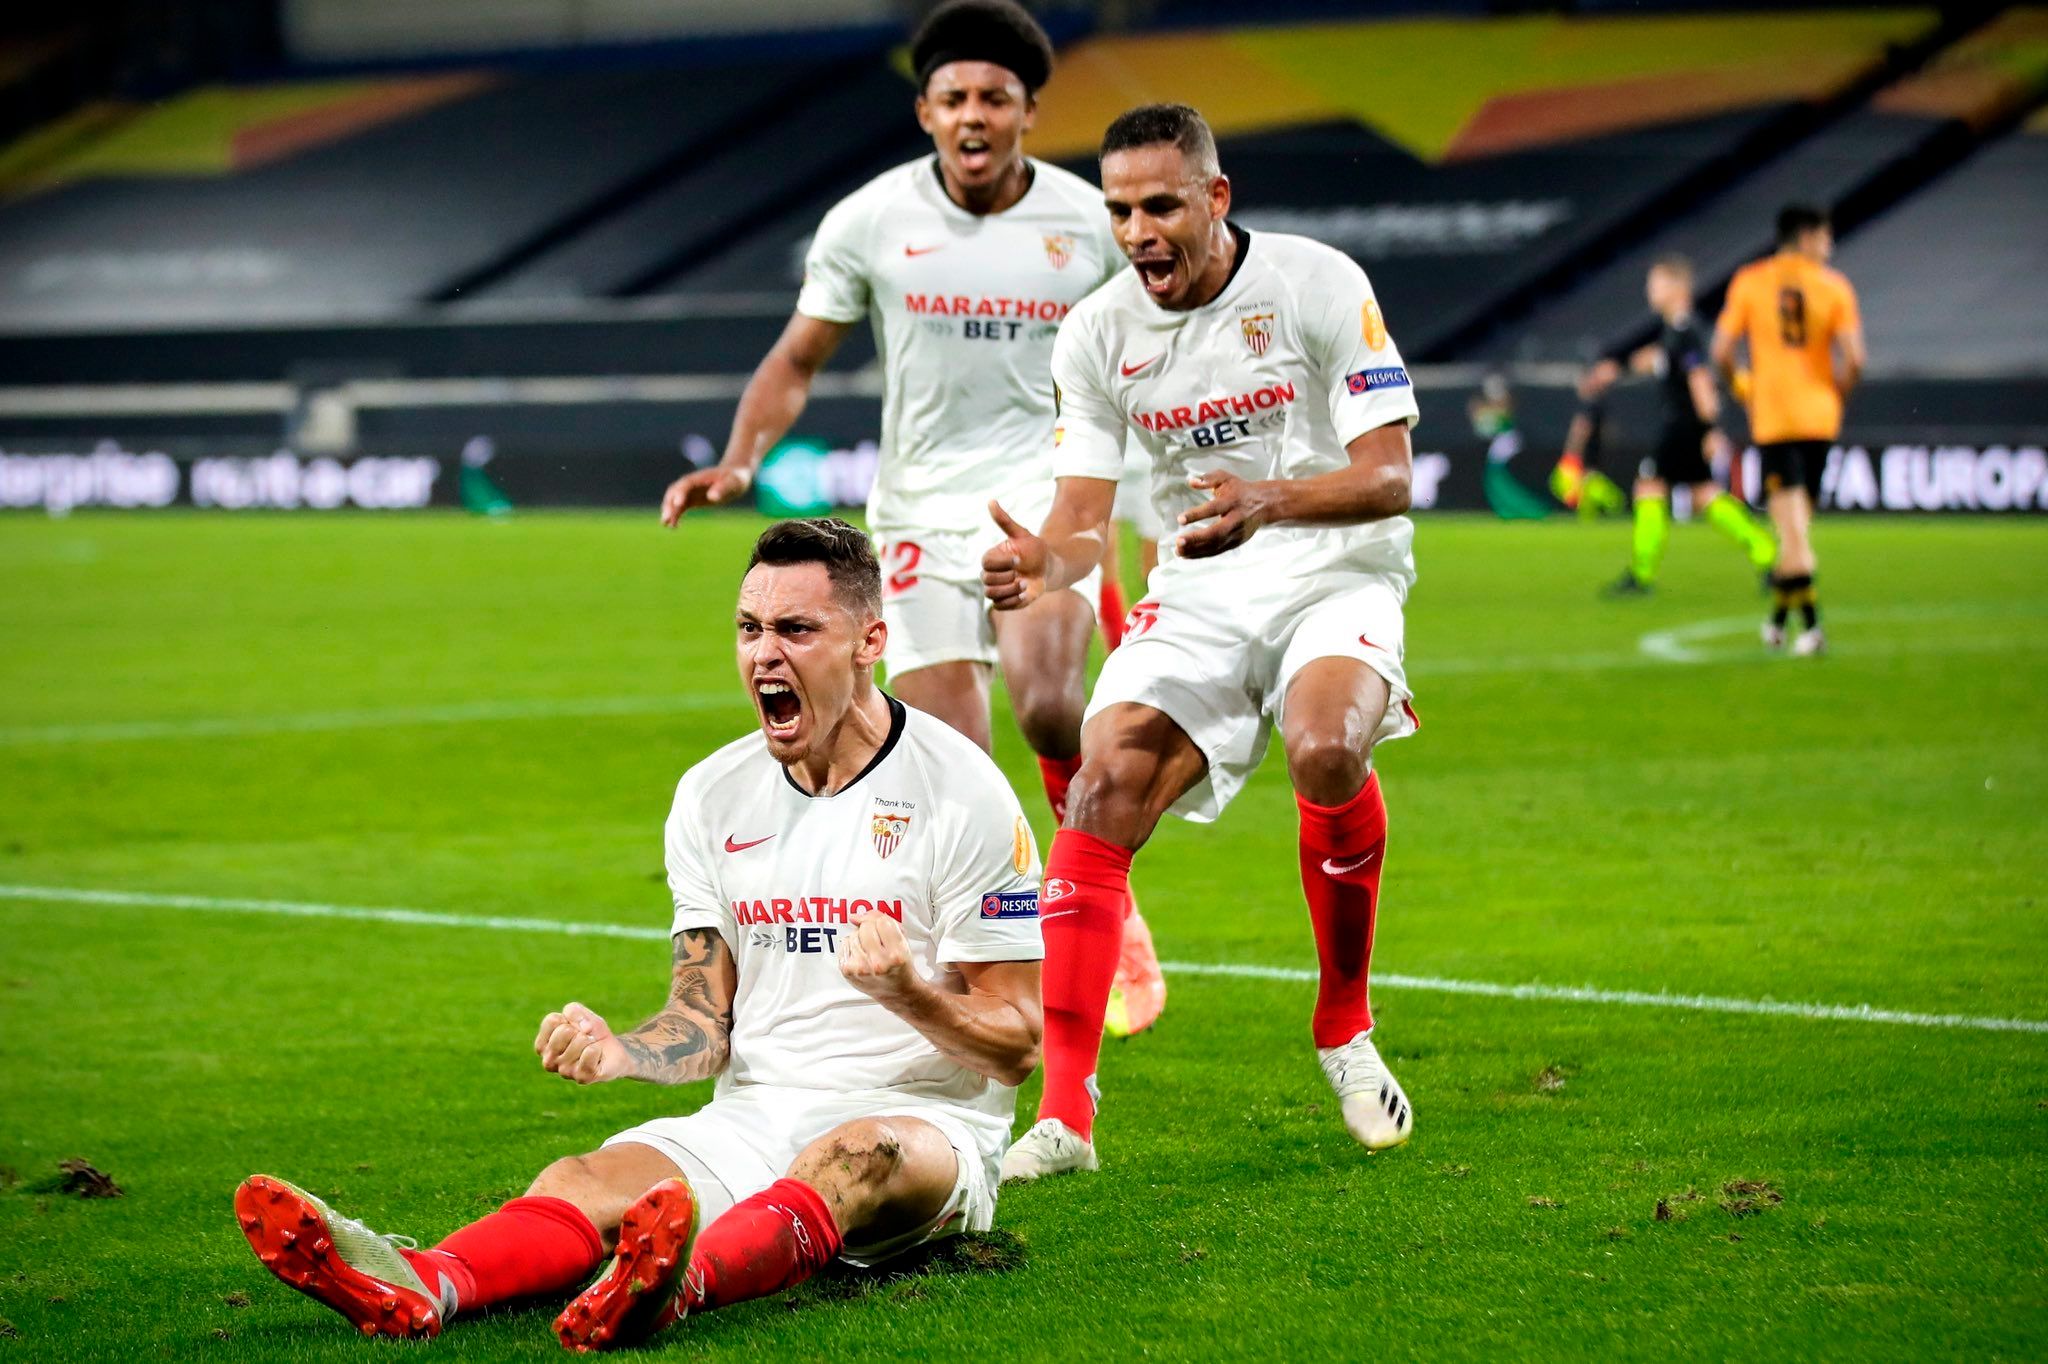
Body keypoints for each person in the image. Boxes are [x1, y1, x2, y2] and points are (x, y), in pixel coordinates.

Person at [234, 519, 1045, 1350]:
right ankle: (426, 1281)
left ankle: (671, 1285)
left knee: (853, 1154)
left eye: (797, 630)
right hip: (756, 1116)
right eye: (749, 628)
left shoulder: (963, 795)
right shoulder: (713, 796)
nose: (766, 654)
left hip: (919, 1129)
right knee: (582, 1179)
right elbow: (701, 1023)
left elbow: (1016, 1045)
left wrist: (907, 992)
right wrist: (624, 1050)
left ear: (870, 639)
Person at [656, 0, 1165, 1033]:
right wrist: (740, 458)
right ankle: (1017, 937)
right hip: (918, 511)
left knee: (1047, 705)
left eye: (993, 97)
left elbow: (1160, 340)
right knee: (947, 760)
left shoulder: (1086, 220)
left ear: (1028, 109)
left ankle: (1109, 889)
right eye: (952, 98)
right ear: (923, 111)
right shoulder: (870, 220)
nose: (972, 115)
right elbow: (799, 356)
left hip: (1045, 490)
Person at [982, 104, 1421, 1181]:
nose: (1137, 230)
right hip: (1204, 584)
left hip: (1333, 566)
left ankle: (1343, 1028)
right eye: (1120, 209)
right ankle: (1065, 1118)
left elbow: (1391, 475)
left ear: (1214, 199)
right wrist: (1047, 559)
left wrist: (1270, 501)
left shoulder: (1316, 283)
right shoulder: (1096, 333)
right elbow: (1083, 511)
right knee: (1101, 786)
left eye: (1160, 205)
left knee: (1325, 748)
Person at [1713, 204, 1865, 654]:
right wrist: (1837, 394)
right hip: (1820, 418)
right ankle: (1778, 625)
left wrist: (1742, 386)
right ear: (1805, 237)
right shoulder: (1835, 287)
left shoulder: (1750, 282)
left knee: (1793, 532)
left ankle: (1813, 630)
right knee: (1797, 529)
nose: (1829, 246)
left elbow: (1722, 350)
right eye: (1824, 237)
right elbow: (1855, 359)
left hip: (1775, 418)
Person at [1605, 254, 1777, 597]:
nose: (1649, 291)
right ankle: (1765, 552)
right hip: (1686, 425)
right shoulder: (1675, 331)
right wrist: (1618, 367)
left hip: (1683, 426)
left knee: (1649, 486)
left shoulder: (1685, 332)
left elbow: (1701, 381)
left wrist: (1711, 428)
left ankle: (1641, 574)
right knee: (1703, 495)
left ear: (1676, 287)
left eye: (1655, 283)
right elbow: (1657, 359)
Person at [1548, 358, 1627, 519]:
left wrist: (1571, 451)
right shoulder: (1599, 403)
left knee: (1586, 479)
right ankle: (1588, 514)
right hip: (1596, 449)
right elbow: (1609, 430)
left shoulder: (1588, 405)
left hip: (1586, 450)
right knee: (1587, 481)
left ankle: (1614, 501)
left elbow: (1581, 429)